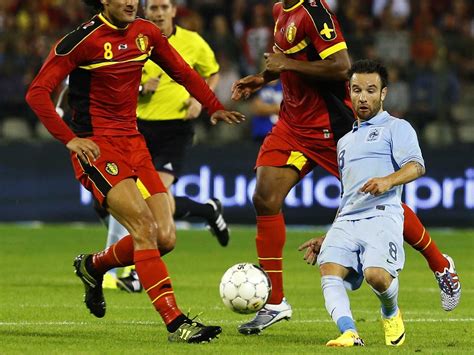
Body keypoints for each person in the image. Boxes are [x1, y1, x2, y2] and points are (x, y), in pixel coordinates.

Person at [231, 0, 460, 335]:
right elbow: (289, 62)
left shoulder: (315, 13)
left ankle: (440, 265)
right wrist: (264, 78)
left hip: (331, 125)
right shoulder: (282, 9)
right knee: (264, 198)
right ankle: (275, 302)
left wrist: (286, 64)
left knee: (378, 196)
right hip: (293, 123)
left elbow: (341, 67)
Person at [26, 0, 244, 343]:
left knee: (165, 238)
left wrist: (214, 107)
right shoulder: (82, 40)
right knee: (144, 227)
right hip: (97, 148)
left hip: (134, 143)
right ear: (104, 1)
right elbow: (37, 92)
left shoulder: (146, 33)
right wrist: (69, 139)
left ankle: (93, 266)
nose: (131, 2)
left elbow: (184, 72)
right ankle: (176, 323)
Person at [102, 0, 231, 292]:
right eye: (154, 8)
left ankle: (133, 272)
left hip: (175, 129)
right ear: (145, 12)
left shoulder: (193, 42)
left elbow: (212, 72)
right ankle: (206, 211)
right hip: (139, 128)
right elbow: (114, 81)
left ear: (174, 11)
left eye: (164, 7)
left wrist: (200, 99)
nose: (159, 13)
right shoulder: (132, 40)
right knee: (146, 200)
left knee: (152, 196)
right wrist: (139, 90)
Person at [299, 59, 424, 347]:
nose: (363, 97)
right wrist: (329, 235)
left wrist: (388, 181)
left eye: (370, 90)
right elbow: (348, 195)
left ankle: (390, 311)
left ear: (383, 94)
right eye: (356, 90)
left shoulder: (397, 127)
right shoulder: (344, 142)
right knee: (329, 268)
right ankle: (349, 332)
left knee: (376, 277)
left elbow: (416, 166)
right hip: (347, 220)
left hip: (382, 215)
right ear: (350, 92)